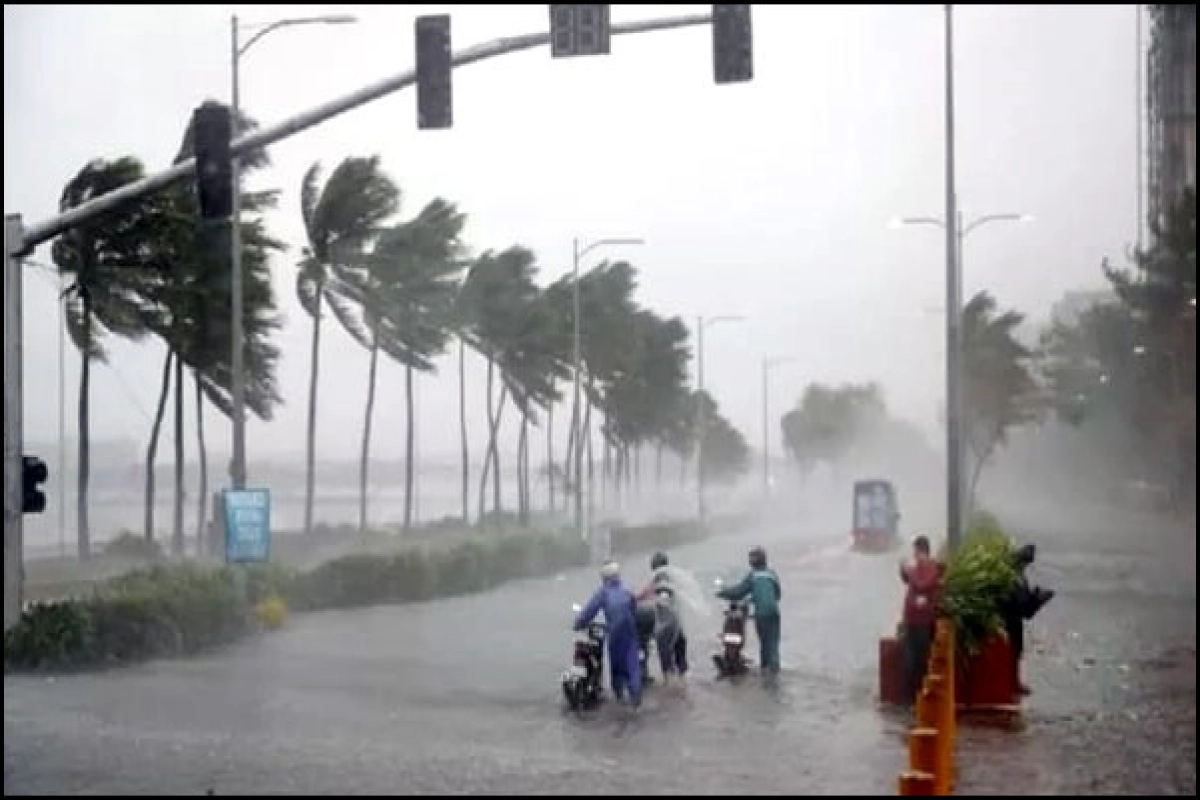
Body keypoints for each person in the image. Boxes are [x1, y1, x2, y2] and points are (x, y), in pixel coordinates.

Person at [574, 560, 643, 708]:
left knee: (617, 669)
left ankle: (620, 703)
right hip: (630, 633)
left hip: (615, 634)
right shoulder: (627, 590)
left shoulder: (603, 592)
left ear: (604, 578)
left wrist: (577, 625)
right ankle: (636, 704)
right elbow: (633, 609)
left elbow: (588, 612)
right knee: (633, 667)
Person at [717, 546, 782, 675]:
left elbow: (738, 592)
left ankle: (765, 670)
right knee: (773, 644)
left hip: (761, 615)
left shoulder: (753, 576)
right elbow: (777, 594)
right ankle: (775, 671)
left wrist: (721, 593)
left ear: (753, 561)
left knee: (764, 644)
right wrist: (754, 599)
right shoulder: (772, 574)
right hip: (774, 613)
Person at [1001, 543, 1054, 696]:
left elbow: (1025, 607)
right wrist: (1038, 600)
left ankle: (1013, 682)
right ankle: (1012, 683)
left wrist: (1037, 598)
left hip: (1014, 619)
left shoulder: (1017, 575)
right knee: (1012, 652)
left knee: (1016, 652)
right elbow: (1023, 608)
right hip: (1009, 620)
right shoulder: (1013, 576)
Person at [898, 534, 941, 705]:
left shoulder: (931, 568)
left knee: (921, 661)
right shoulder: (915, 569)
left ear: (924, 552)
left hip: (924, 622)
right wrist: (903, 570)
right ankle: (910, 698)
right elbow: (907, 580)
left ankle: (922, 698)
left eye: (916, 551)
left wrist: (910, 572)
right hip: (911, 621)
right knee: (909, 661)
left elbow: (923, 585)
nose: (915, 555)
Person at [635, 551, 689, 687]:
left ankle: (669, 681)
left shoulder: (660, 580)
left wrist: (634, 599)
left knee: (663, 654)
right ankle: (682, 679)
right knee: (680, 649)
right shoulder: (671, 578)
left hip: (665, 625)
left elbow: (646, 595)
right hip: (675, 624)